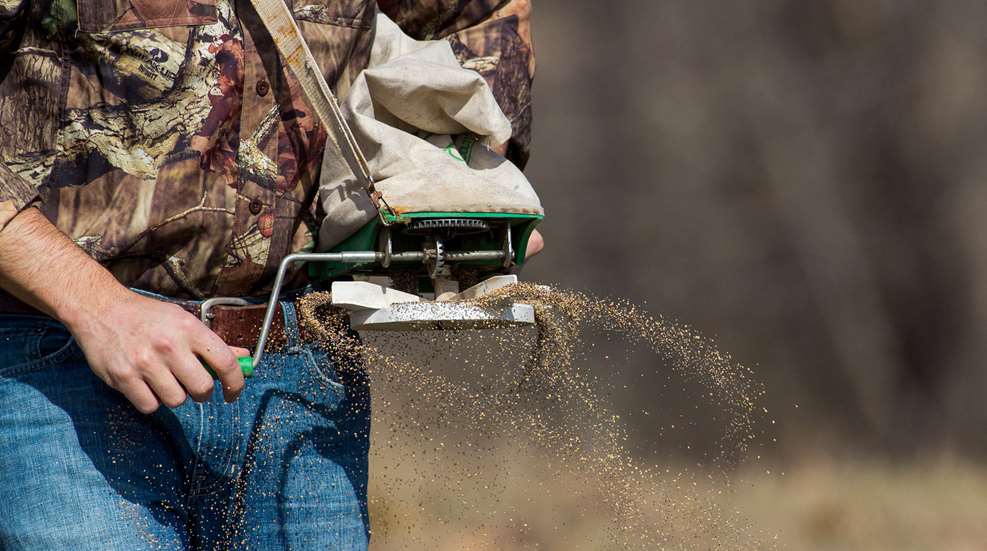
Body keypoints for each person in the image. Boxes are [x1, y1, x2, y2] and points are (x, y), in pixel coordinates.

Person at [0, 0, 542, 548]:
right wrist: (96, 306)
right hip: (60, 356)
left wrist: (474, 179)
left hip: (302, 361)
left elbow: (483, 16)